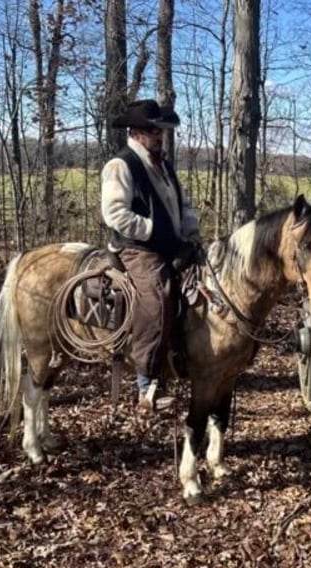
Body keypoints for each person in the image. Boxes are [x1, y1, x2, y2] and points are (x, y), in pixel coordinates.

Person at [100, 99, 201, 412]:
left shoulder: (163, 164)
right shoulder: (121, 165)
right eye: (153, 130)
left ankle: (184, 358)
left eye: (161, 130)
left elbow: (182, 206)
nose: (159, 136)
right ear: (136, 132)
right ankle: (147, 382)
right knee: (158, 297)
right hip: (137, 248)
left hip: (168, 243)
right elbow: (114, 213)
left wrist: (190, 229)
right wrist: (154, 230)